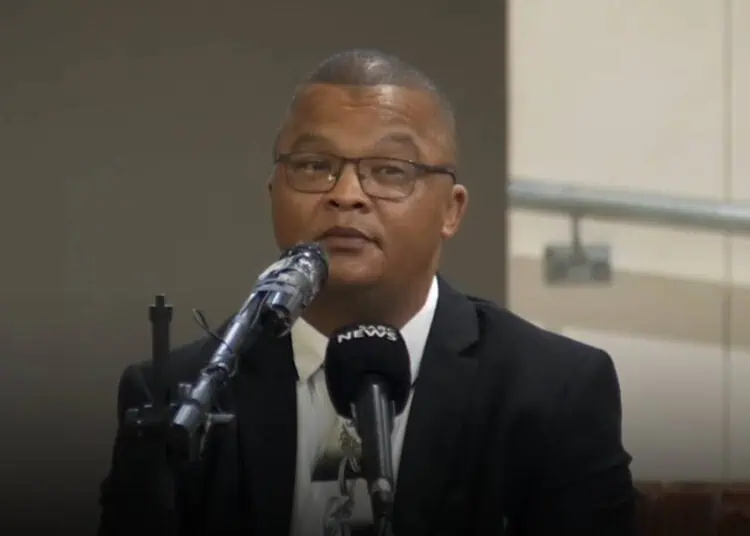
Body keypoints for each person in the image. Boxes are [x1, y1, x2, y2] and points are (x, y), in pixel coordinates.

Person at [98, 49, 636, 536]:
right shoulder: (179, 397)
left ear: (451, 210)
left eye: (390, 171)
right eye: (315, 166)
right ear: (273, 193)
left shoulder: (553, 392)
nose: (347, 195)